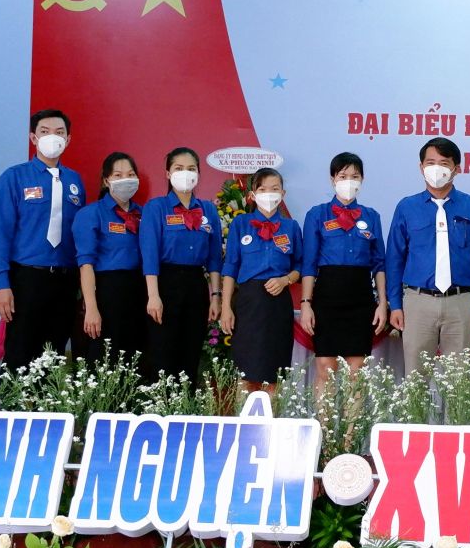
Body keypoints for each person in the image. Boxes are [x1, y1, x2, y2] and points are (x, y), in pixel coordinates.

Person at [0, 109, 85, 369]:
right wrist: (2, 284)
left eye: (59, 132)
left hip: (65, 281)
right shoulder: (14, 177)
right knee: (19, 356)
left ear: (68, 139)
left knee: (53, 358)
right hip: (27, 279)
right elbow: (1, 233)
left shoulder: (75, 181)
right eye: (45, 132)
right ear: (33, 138)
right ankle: (12, 398)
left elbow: (80, 236)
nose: (52, 137)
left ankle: (49, 398)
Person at [386, 139, 470, 373]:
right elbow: (394, 259)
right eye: (430, 163)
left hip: (461, 302)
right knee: (416, 378)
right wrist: (395, 304)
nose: (436, 169)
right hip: (418, 301)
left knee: (459, 381)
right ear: (421, 167)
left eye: (444, 163)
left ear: (457, 168)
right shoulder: (407, 207)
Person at [299, 153, 388, 385]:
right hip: (327, 296)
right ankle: (324, 412)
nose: (349, 181)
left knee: (356, 369)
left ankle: (353, 413)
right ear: (333, 179)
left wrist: (382, 303)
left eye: (355, 176)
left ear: (362, 180)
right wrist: (306, 304)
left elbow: (379, 264)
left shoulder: (371, 216)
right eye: (343, 176)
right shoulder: (317, 214)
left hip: (361, 297)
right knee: (325, 367)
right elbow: (309, 264)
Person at [140, 147, 222, 381]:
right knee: (163, 351)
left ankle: (187, 399)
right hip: (165, 283)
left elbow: (214, 257)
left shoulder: (208, 209)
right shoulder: (156, 207)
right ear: (168, 174)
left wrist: (215, 295)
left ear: (198, 174)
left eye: (191, 168)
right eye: (178, 168)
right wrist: (153, 296)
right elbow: (150, 254)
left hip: (196, 284)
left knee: (191, 351)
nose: (185, 173)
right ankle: (161, 400)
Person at [220, 168, 302, 394]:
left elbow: (300, 267)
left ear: (283, 193)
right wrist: (226, 307)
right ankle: (243, 416)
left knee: (273, 374)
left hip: (278, 304)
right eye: (263, 189)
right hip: (248, 302)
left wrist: (285, 280)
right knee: (245, 374)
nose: (269, 194)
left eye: (274, 189)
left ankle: (272, 416)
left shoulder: (291, 227)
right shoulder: (241, 224)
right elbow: (230, 267)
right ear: (253, 195)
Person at [72, 151, 147, 366]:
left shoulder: (143, 214)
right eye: (118, 175)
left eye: (130, 174)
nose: (125, 180)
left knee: (134, 357)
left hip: (138, 290)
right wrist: (91, 307)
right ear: (106, 180)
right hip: (106, 292)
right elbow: (85, 264)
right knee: (104, 356)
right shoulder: (91, 214)